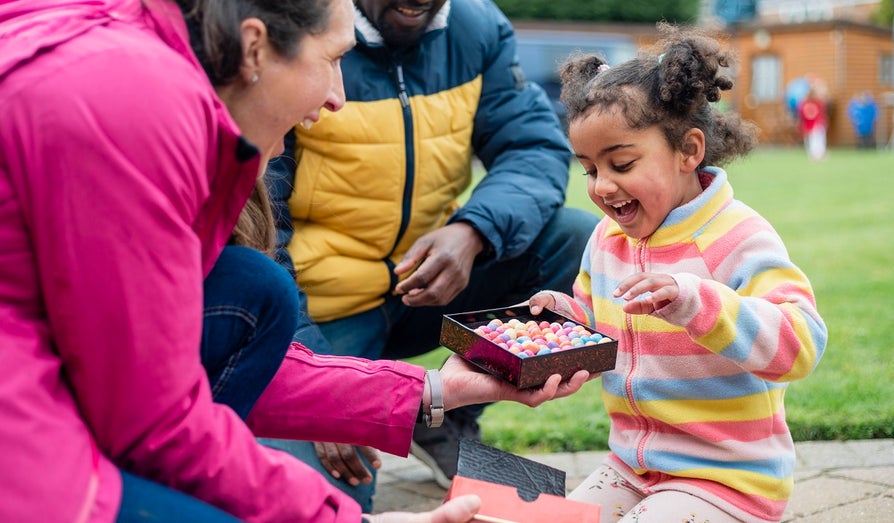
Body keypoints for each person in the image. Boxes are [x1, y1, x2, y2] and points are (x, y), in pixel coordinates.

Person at [0, 1, 592, 522]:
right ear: (255, 45)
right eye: (332, 59)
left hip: (406, 294)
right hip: (319, 311)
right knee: (304, 476)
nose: (338, 96)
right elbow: (155, 417)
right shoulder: (133, 106)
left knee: (249, 288)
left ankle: (443, 433)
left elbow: (163, 364)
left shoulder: (167, 65)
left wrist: (440, 389)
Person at [262, 0, 600, 504]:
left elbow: (532, 147)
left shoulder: (477, 27)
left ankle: (445, 419)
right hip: (320, 311)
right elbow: (257, 236)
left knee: (573, 238)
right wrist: (315, 382)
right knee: (326, 494)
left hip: (433, 288)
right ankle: (386, 400)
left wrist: (473, 231)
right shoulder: (299, 26)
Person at [526, 24, 828, 523]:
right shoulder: (607, 240)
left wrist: (699, 303)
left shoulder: (738, 237)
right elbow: (599, 326)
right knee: (558, 520)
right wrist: (568, 319)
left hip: (726, 479)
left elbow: (802, 343)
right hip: (632, 467)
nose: (602, 187)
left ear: (689, 151)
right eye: (589, 169)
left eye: (621, 163)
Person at [798, 81, 829, 161]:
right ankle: (817, 154)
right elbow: (820, 114)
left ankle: (817, 154)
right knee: (816, 140)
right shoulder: (816, 103)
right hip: (815, 124)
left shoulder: (804, 103)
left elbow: (801, 114)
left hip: (811, 125)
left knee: (815, 140)